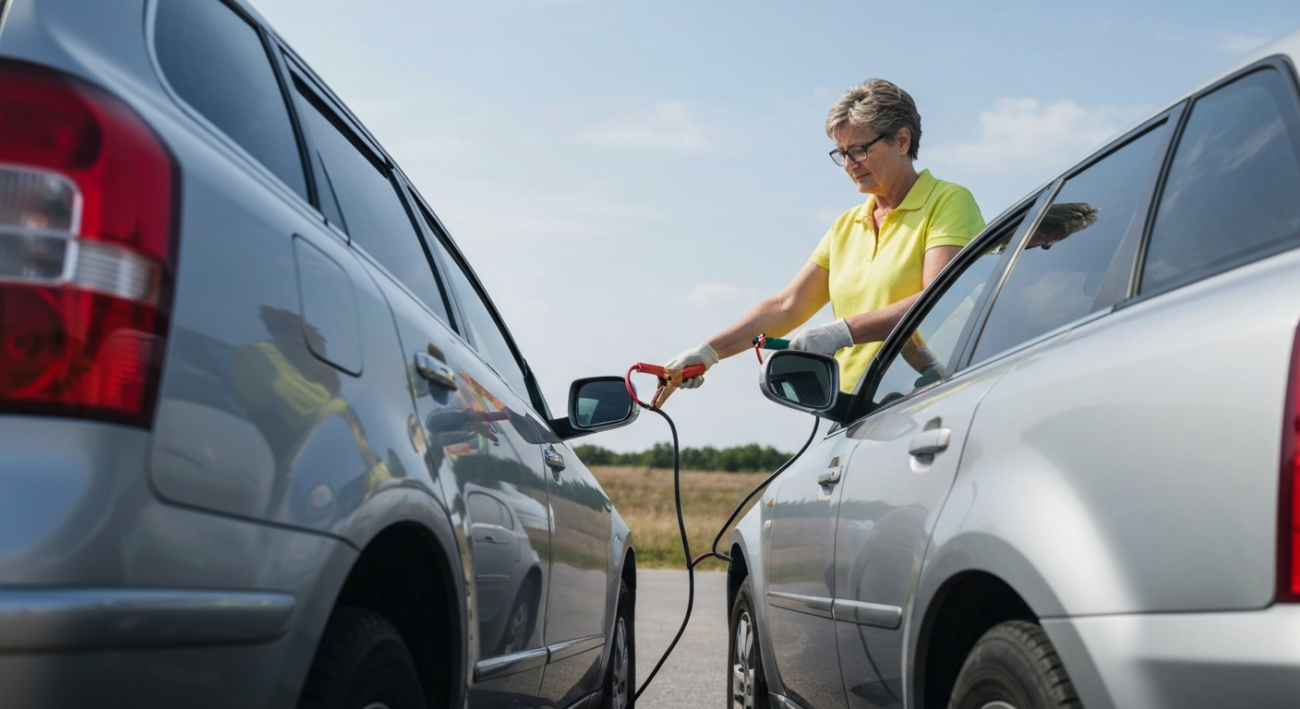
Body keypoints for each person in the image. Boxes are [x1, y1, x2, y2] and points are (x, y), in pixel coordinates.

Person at [655, 78, 985, 406]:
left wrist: (839, 333)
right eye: (842, 153)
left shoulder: (948, 202)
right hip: (853, 405)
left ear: (901, 140)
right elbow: (788, 306)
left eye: (859, 150)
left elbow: (939, 298)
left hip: (928, 399)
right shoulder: (846, 226)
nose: (849, 164)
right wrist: (709, 352)